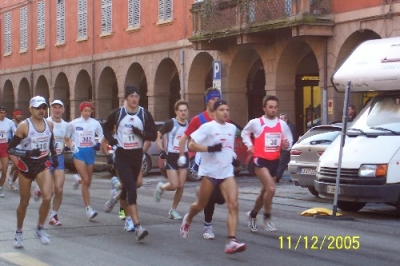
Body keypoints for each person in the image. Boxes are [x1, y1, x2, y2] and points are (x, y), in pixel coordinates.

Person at [179, 100, 246, 254]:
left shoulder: (232, 128)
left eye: (227, 109)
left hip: (226, 172)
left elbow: (228, 148)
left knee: (233, 204)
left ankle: (231, 241)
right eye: (222, 109)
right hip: (210, 172)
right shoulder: (208, 127)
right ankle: (189, 217)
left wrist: (233, 158)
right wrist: (209, 148)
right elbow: (191, 145)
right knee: (200, 205)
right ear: (215, 112)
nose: (225, 112)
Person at [102, 84, 157, 241]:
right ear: (125, 98)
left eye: (137, 96)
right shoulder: (119, 114)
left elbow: (153, 135)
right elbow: (105, 127)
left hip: (136, 156)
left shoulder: (144, 114)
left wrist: (140, 133)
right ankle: (137, 225)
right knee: (132, 188)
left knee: (131, 186)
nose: (134, 99)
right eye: (131, 96)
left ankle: (116, 196)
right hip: (122, 156)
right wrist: (112, 141)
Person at [7, 96, 58, 248]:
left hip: (42, 163)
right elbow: (10, 149)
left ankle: (40, 228)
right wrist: (28, 153)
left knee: (48, 197)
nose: (41, 110)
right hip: (26, 166)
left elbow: (51, 143)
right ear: (31, 109)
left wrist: (54, 156)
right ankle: (19, 232)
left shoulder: (49, 124)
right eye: (38, 108)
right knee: (24, 201)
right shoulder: (24, 126)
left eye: (43, 107)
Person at [178, 87, 224, 240]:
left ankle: (201, 193)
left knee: (221, 198)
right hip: (205, 163)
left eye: (218, 98)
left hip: (221, 163)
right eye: (212, 99)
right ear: (207, 101)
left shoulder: (224, 117)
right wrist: (183, 156)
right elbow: (186, 138)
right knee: (211, 198)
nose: (216, 101)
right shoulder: (199, 119)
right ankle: (207, 226)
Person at [241, 95, 293, 233]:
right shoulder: (257, 122)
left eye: (275, 107)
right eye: (270, 107)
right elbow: (244, 133)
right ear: (264, 108)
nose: (273, 110)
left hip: (274, 161)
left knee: (265, 191)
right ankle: (267, 218)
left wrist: (286, 145)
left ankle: (252, 215)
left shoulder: (282, 124)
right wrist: (250, 145)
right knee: (271, 189)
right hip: (260, 160)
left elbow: (288, 141)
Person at [65, 101, 104, 220]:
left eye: (89, 111)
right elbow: (66, 138)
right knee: (86, 179)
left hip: (90, 152)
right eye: (85, 111)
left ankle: (78, 179)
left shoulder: (95, 123)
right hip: (79, 152)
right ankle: (88, 209)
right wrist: (73, 148)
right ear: (81, 111)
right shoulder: (74, 123)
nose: (87, 113)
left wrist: (98, 144)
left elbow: (101, 136)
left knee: (88, 182)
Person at [153, 100, 189, 220]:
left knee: (181, 185)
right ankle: (161, 187)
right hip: (172, 156)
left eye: (185, 110)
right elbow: (157, 136)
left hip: (184, 156)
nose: (183, 113)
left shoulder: (189, 124)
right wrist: (161, 150)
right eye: (181, 111)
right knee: (174, 185)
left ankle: (173, 210)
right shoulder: (170, 123)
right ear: (176, 112)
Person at [46, 100, 69, 225]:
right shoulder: (46, 123)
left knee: (59, 189)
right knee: (49, 193)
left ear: (63, 110)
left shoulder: (66, 125)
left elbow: (67, 140)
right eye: (54, 107)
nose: (57, 110)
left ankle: (54, 215)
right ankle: (40, 189)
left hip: (59, 159)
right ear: (51, 109)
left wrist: (73, 147)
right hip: (46, 159)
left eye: (59, 107)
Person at [0, 106, 17, 197]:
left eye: (4, 113)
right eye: (1, 113)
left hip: (5, 146)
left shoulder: (9, 122)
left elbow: (16, 132)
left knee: (4, 170)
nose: (2, 115)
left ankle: (0, 187)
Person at [275, 113, 296, 183]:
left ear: (286, 119)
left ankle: (277, 177)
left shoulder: (289, 127)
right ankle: (293, 177)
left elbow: (289, 138)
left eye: (282, 118)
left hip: (287, 147)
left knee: (283, 162)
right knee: (288, 162)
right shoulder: (283, 126)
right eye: (279, 118)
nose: (280, 120)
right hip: (284, 147)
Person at [8, 108, 24, 191]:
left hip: (21, 148)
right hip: (12, 148)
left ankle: (12, 180)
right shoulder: (10, 123)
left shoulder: (23, 124)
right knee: (18, 166)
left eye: (20, 114)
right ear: (14, 115)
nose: (19, 116)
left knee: (18, 166)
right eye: (17, 114)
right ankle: (11, 178)